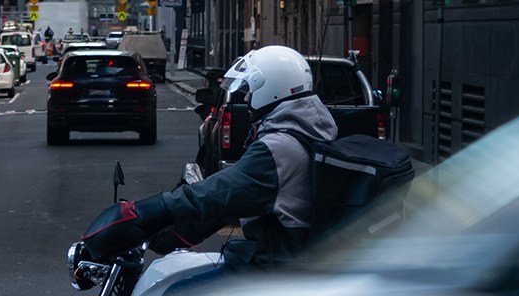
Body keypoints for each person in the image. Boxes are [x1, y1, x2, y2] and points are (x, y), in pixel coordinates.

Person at [81, 45, 338, 272]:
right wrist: (172, 236)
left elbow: (214, 192)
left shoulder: (279, 148)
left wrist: (146, 211)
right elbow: (233, 199)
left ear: (270, 89)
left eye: (250, 90)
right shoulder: (305, 133)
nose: (246, 98)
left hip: (276, 265)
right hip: (291, 257)